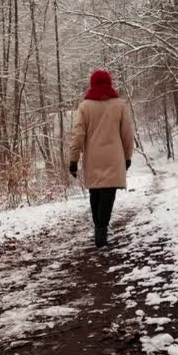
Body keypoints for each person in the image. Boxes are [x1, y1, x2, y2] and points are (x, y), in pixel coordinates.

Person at [69, 69, 135, 248]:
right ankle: (102, 228)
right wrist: (127, 156)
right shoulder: (120, 105)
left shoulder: (85, 107)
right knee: (108, 193)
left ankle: (99, 227)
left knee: (95, 193)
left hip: (93, 158)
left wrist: (73, 159)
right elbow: (127, 134)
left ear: (92, 84)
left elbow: (78, 135)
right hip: (114, 157)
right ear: (109, 83)